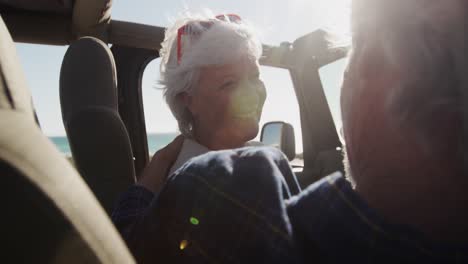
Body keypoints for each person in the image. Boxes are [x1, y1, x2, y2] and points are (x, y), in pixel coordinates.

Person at [113, 0, 468, 263]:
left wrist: (146, 181)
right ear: (188, 100)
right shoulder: (241, 180)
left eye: (255, 76)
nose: (252, 92)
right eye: (229, 83)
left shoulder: (234, 180)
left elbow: (124, 245)